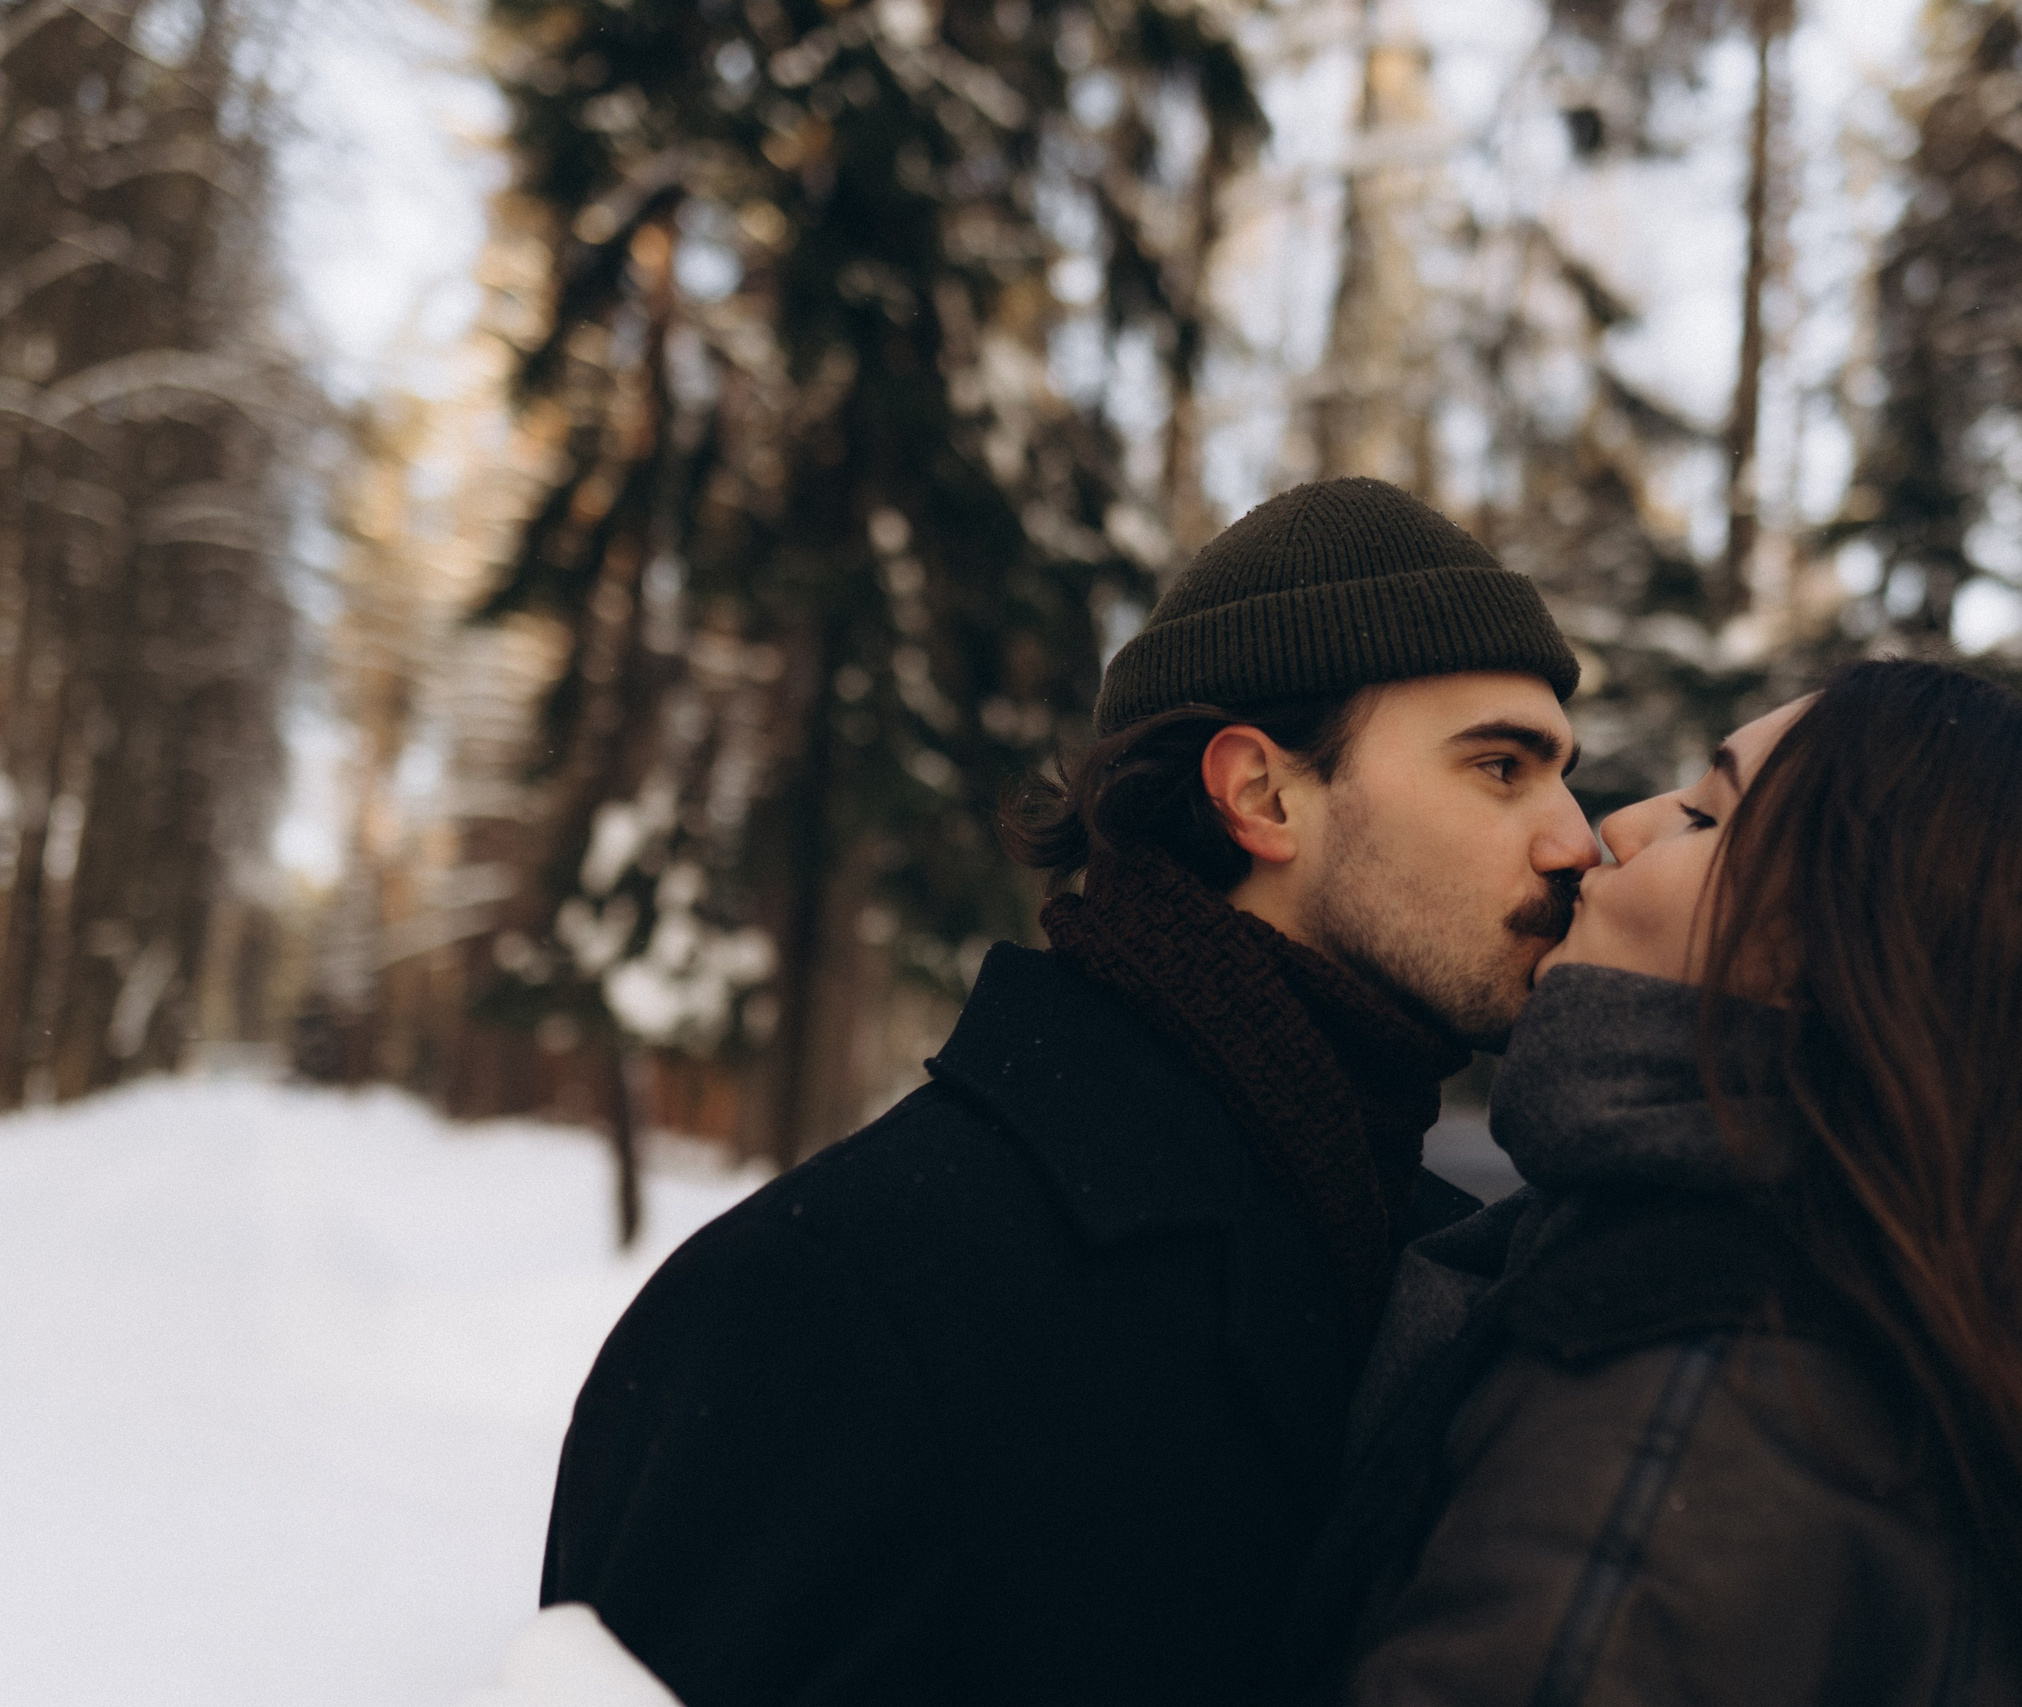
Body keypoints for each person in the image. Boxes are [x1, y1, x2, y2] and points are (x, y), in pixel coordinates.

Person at [538, 476, 1603, 1707]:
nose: (1577, 838)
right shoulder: (829, 1298)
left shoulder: (1445, 1272)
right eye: (1501, 766)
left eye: (1561, 771)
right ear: (1261, 795)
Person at [1297, 659, 2022, 1707]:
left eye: (1703, 818)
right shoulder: (1939, 1350)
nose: (1612, 829)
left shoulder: (1700, 1386)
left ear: (1842, 964)